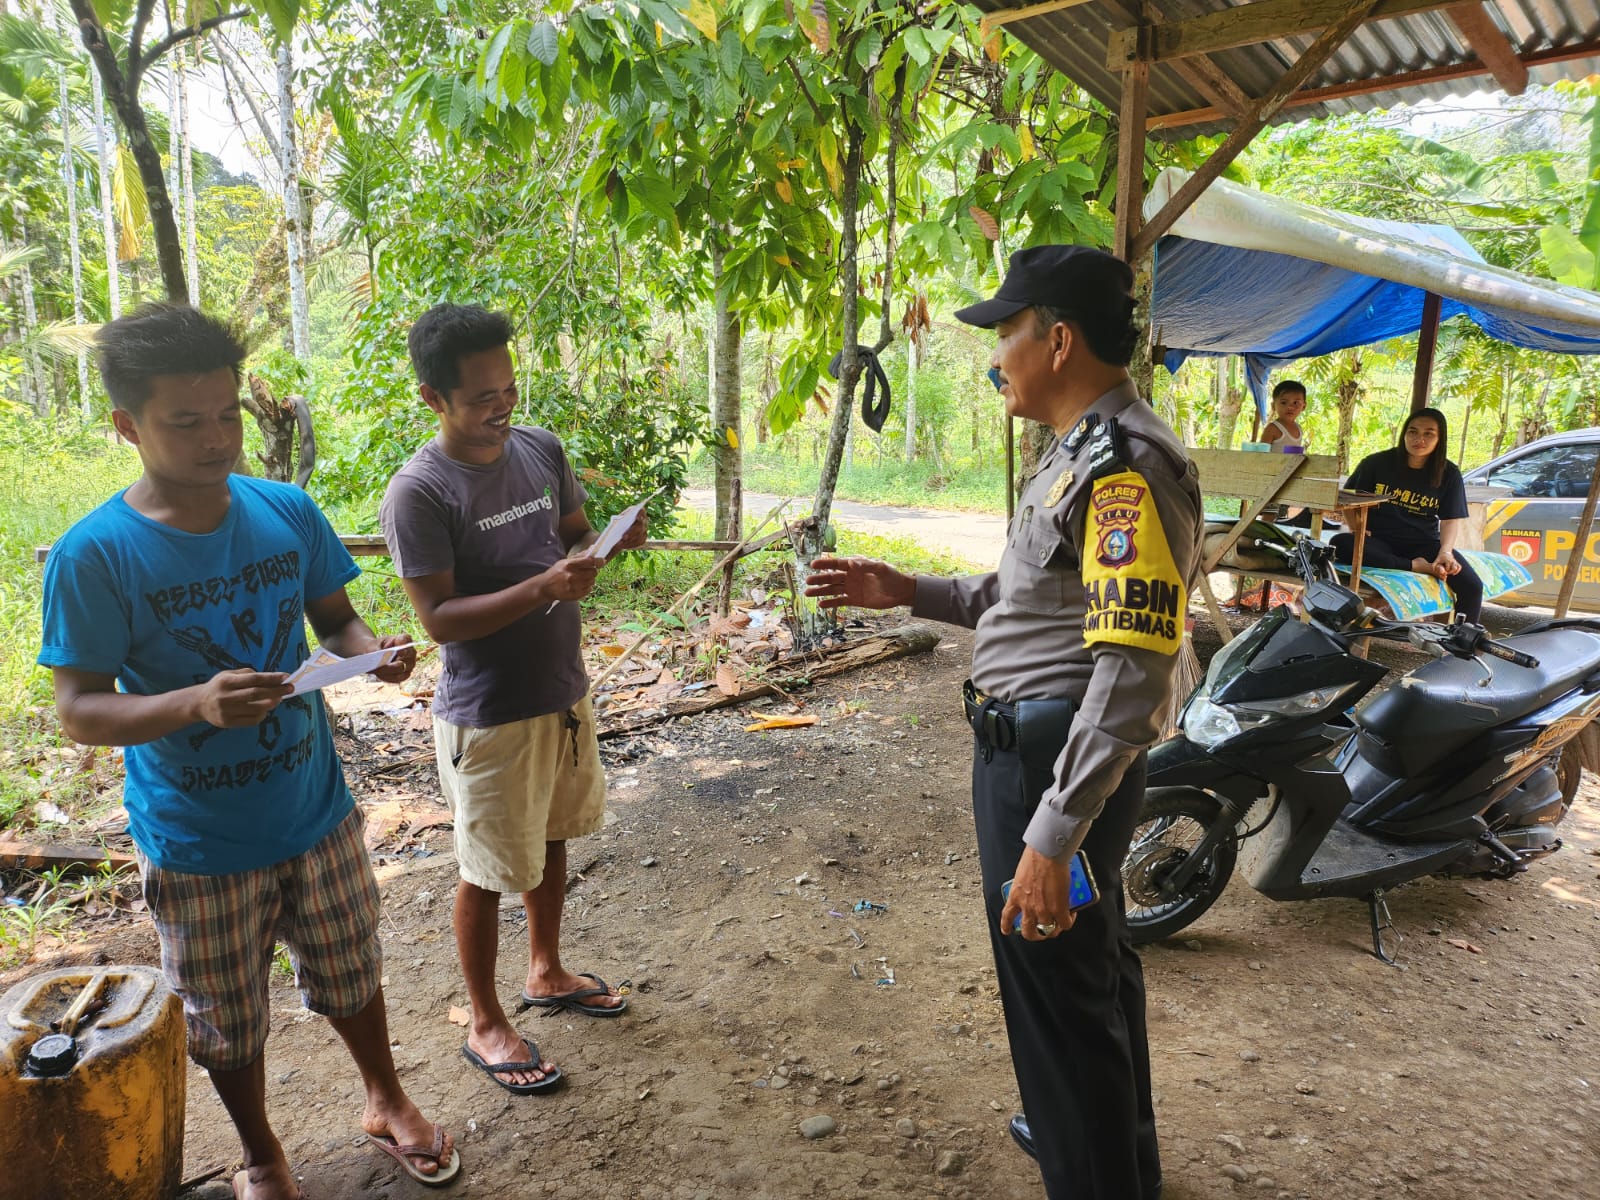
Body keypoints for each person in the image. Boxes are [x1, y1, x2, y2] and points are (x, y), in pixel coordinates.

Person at [806, 246, 1202, 1200]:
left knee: (1057, 992)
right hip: (1042, 749)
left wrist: (1052, 830)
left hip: (1054, 760)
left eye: (1006, 335)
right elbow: (1028, 597)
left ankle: (1095, 1169)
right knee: (1086, 974)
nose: (997, 357)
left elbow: (1134, 663)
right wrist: (908, 590)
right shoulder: (1079, 451)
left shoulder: (1123, 471)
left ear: (1057, 340)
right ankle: (1113, 1153)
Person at [38, 304, 458, 1199]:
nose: (216, 438)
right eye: (184, 422)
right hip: (198, 840)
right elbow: (77, 709)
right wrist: (195, 700)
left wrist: (370, 653)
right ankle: (262, 1152)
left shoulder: (285, 510)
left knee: (352, 966)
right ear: (127, 425)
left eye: (227, 413)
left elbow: (336, 620)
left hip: (316, 809)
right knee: (224, 1017)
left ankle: (386, 1097)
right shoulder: (95, 556)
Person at [380, 303, 645, 1097]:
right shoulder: (420, 492)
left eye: (509, 389)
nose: (502, 409)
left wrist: (599, 547)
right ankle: (487, 1021)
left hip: (560, 689)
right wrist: (542, 587)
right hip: (487, 709)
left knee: (553, 836)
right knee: (487, 866)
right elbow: (437, 619)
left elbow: (572, 532)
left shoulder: (540, 450)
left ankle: (547, 969)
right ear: (434, 399)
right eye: (481, 398)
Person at [1333, 406, 1483, 622]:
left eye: (1428, 433)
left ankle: (1465, 645)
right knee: (1341, 542)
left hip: (1423, 543)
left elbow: (1450, 520)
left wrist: (1446, 552)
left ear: (1440, 438)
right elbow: (1348, 498)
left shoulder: (1449, 473)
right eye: (1412, 431)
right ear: (1404, 434)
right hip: (1380, 540)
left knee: (1472, 586)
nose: (1418, 439)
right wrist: (1357, 529)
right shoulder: (1376, 463)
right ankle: (1417, 567)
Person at [1261, 379, 1307, 452]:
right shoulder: (1272, 429)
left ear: (1304, 406)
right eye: (1284, 402)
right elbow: (1260, 455)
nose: (1290, 407)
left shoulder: (1299, 429)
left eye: (1295, 402)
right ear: (1273, 406)